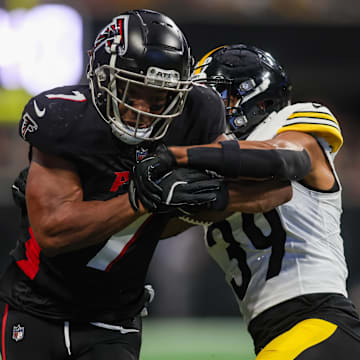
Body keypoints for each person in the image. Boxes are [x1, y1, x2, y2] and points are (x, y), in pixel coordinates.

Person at [0, 9, 233, 360]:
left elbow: (237, 191)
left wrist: (192, 202)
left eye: (159, 97)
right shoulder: (64, 118)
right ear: (100, 76)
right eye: (131, 90)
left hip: (113, 319)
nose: (142, 110)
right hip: (34, 308)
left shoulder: (197, 114)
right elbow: (52, 232)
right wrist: (139, 200)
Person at [138, 44, 360, 358]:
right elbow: (150, 227)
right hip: (276, 335)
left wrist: (178, 156)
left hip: (319, 321)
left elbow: (283, 159)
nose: (203, 111)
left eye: (217, 98)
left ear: (256, 97)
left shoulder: (291, 121)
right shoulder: (212, 167)